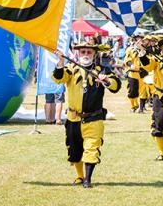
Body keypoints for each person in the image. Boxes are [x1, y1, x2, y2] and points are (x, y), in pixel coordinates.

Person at [52, 42, 121, 188]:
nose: (85, 55)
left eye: (89, 52)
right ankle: (79, 176)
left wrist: (106, 80)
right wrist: (60, 63)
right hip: (74, 118)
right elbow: (58, 78)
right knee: (74, 149)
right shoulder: (71, 69)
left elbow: (116, 85)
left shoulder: (102, 70)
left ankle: (88, 179)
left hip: (94, 118)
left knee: (91, 148)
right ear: (78, 54)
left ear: (94, 54)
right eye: (82, 52)